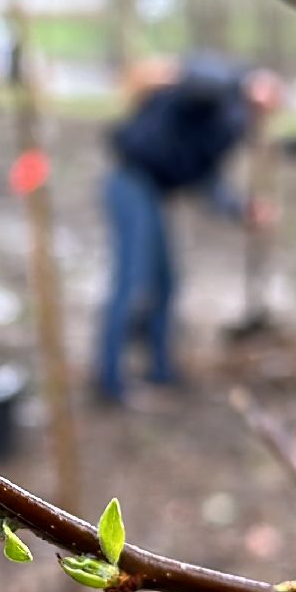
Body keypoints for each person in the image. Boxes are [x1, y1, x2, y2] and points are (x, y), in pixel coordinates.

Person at [94, 53, 279, 406]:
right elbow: (199, 77)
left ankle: (161, 369)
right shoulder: (211, 96)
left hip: (155, 193)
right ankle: (109, 381)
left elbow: (207, 180)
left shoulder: (229, 126)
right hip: (131, 182)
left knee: (166, 283)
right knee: (131, 283)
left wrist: (241, 209)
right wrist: (244, 81)